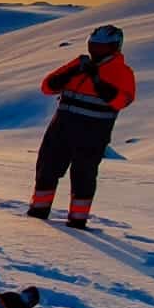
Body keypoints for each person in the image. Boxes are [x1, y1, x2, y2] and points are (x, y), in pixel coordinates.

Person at [27, 24, 137, 229]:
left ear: (115, 47)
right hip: (60, 129)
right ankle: (37, 213)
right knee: (46, 170)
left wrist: (98, 82)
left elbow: (122, 100)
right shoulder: (80, 64)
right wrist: (70, 73)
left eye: (101, 48)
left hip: (92, 135)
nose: (95, 51)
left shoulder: (122, 72)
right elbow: (47, 86)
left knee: (83, 176)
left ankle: (78, 221)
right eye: (93, 46)